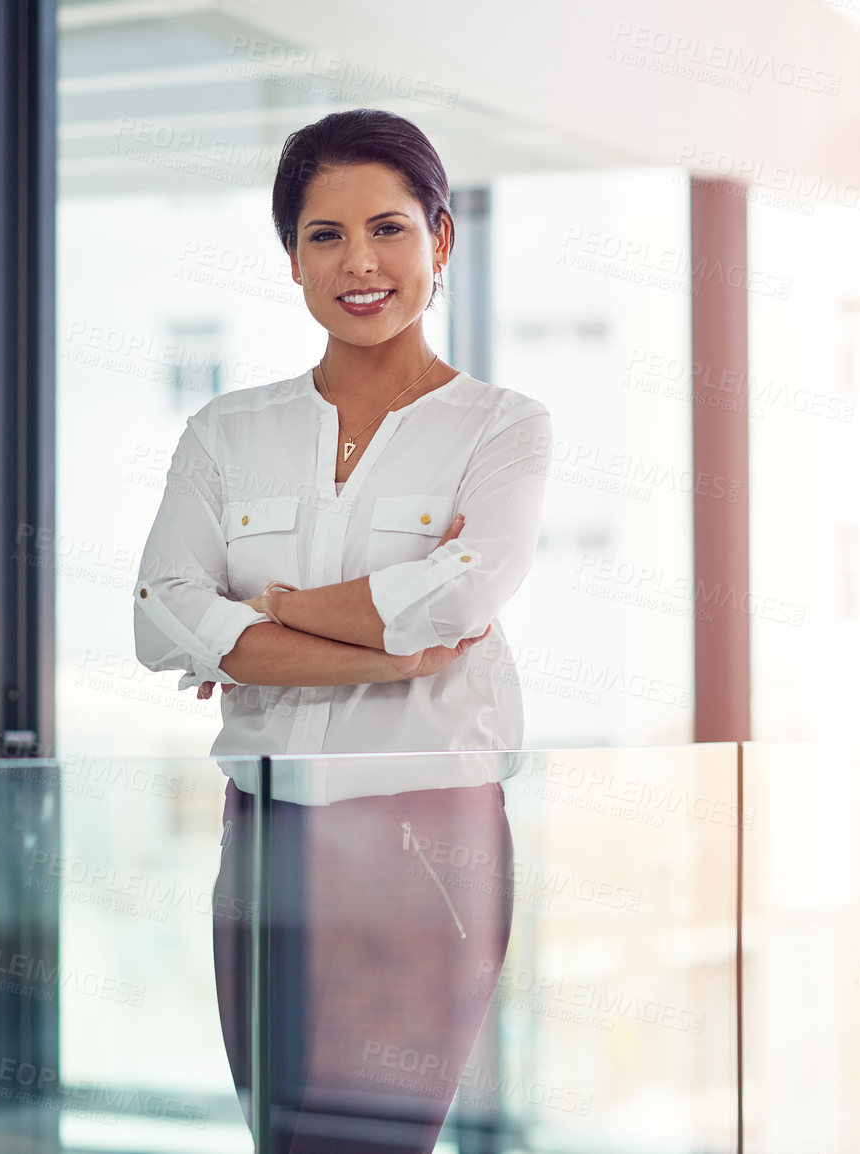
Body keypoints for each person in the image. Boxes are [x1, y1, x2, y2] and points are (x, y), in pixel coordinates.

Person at [131, 108, 553, 1153]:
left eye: (389, 228)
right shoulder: (228, 430)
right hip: (265, 823)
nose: (358, 262)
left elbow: (457, 600)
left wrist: (264, 610)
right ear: (291, 258)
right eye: (324, 234)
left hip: (423, 834)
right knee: (281, 1137)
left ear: (440, 240)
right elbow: (159, 609)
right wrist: (383, 643)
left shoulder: (501, 427)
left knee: (374, 1142)